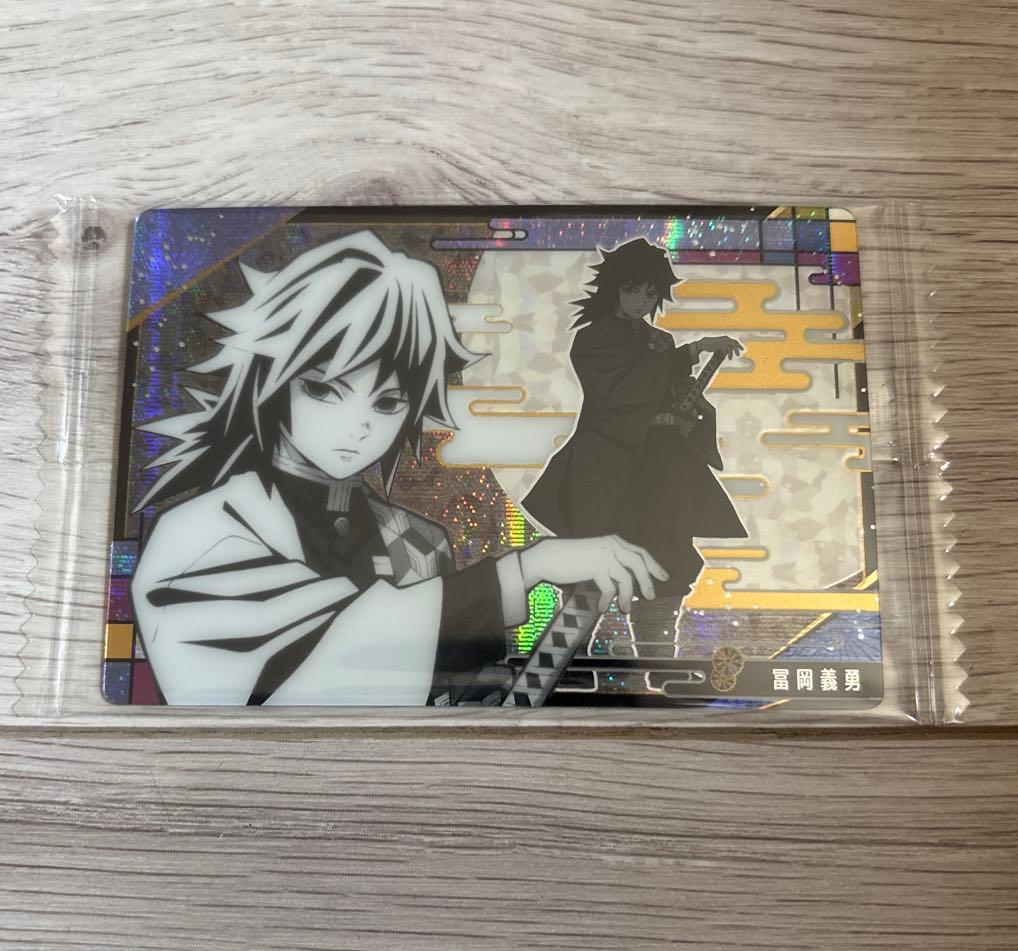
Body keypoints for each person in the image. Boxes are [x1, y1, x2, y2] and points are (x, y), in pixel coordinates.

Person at [131, 230, 666, 706]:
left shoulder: (416, 540)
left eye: (388, 403)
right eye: (323, 389)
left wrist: (484, 691)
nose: (358, 425)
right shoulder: (202, 531)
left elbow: (439, 684)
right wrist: (526, 569)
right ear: (269, 384)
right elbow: (299, 675)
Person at [522, 237, 749, 616]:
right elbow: (621, 390)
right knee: (593, 564)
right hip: (606, 469)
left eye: (650, 294)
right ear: (614, 288)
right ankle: (571, 648)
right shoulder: (592, 340)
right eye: (632, 291)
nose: (642, 301)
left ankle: (657, 648)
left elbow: (671, 390)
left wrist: (689, 411)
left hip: (658, 469)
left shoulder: (661, 340)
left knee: (665, 558)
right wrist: (694, 350)